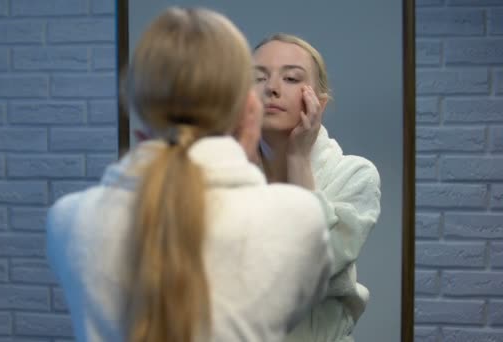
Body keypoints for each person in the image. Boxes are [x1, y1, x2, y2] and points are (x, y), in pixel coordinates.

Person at [46, 8, 333, 342]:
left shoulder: (68, 219)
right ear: (249, 111)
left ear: (138, 107)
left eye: (291, 77)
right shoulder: (299, 220)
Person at [252, 33, 382, 342]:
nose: (272, 88)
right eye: (258, 77)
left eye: (291, 78)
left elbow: (313, 271)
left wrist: (298, 158)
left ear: (319, 102)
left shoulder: (354, 175)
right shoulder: (223, 175)